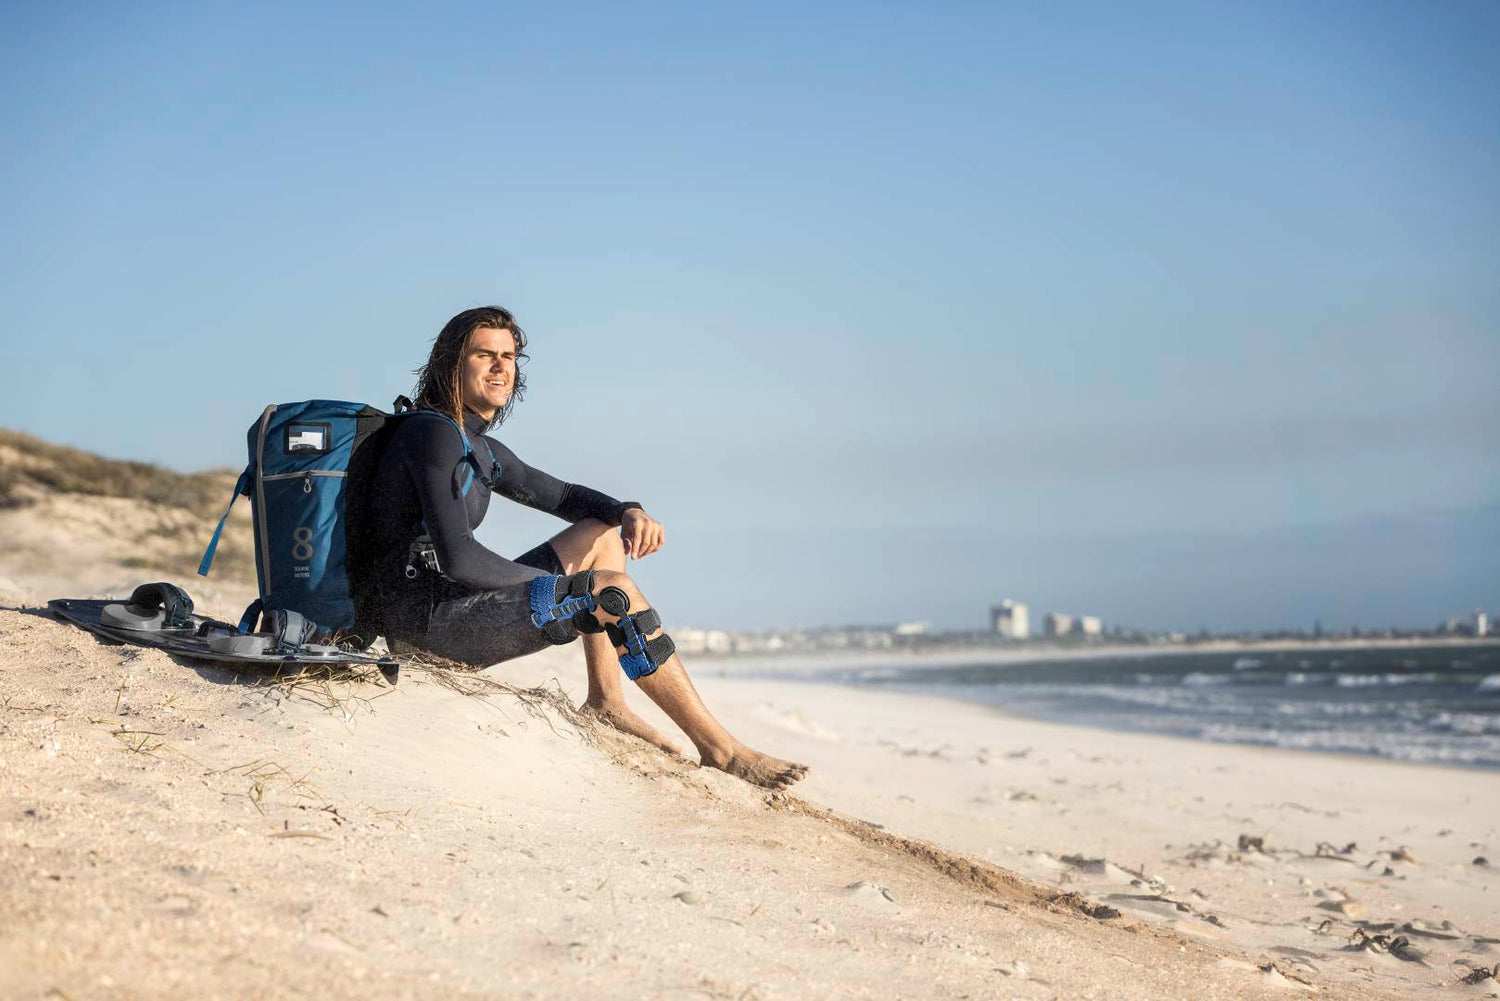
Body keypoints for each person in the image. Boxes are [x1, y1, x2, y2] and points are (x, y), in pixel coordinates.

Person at [362, 305, 807, 790]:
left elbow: (562, 496)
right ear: (452, 363)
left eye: (509, 356)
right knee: (610, 592)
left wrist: (627, 510)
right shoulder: (432, 435)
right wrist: (574, 589)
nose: (501, 367)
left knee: (601, 534)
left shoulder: (475, 444)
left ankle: (607, 702)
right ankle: (723, 751)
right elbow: (460, 558)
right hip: (427, 628)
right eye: (485, 355)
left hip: (448, 607)